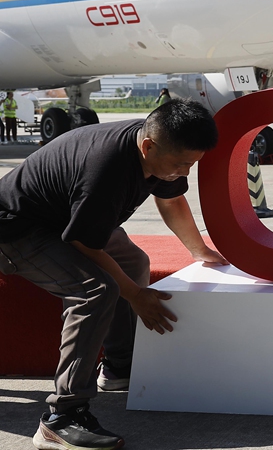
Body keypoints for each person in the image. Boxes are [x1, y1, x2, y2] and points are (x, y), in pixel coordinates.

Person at [0, 99, 226, 450]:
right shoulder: (107, 167)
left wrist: (200, 251)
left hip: (64, 218)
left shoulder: (158, 144)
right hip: (17, 229)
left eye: (192, 164)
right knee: (95, 290)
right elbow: (83, 243)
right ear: (149, 146)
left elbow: (171, 200)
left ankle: (120, 367)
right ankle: (63, 417)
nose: (184, 172)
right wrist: (135, 295)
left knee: (133, 263)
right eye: (181, 164)